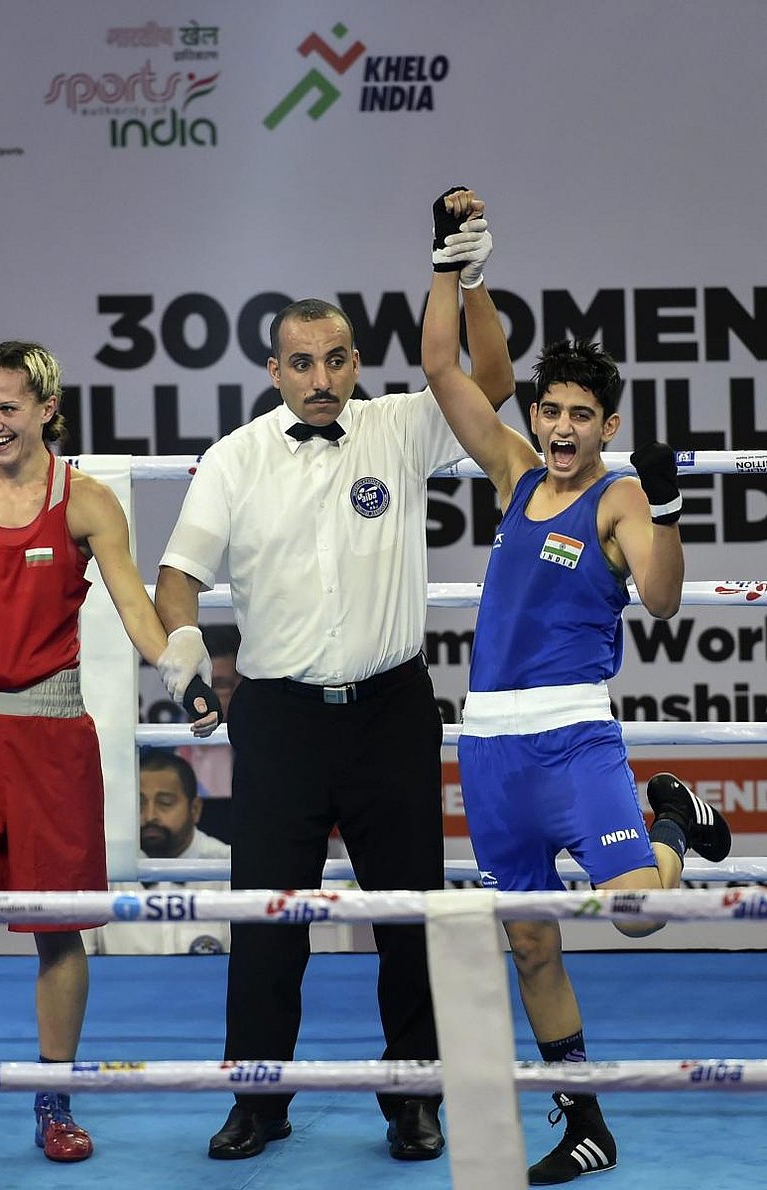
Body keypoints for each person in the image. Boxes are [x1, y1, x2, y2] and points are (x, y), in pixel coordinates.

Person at [153, 209, 515, 1163]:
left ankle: (415, 1098)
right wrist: (183, 648)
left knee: (410, 916)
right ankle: (258, 1099)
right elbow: (178, 576)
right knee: (268, 923)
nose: (321, 379)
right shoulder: (234, 458)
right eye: (301, 363)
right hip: (277, 720)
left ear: (357, 362)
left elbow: (494, 385)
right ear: (274, 371)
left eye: (337, 360)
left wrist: (468, 282)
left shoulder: (399, 427)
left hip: (392, 708)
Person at [420, 189, 732, 1185]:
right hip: (492, 748)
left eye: (579, 416)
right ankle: (585, 1117)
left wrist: (674, 508)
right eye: (550, 410)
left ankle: (672, 820)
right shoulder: (515, 471)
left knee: (639, 910)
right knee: (531, 945)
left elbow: (665, 599)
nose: (560, 428)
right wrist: (448, 263)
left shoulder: (621, 495)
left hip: (573, 741)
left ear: (607, 423)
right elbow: (440, 367)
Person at [0, 341, 210, 1177]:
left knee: (60, 931)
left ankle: (54, 1100)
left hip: (52, 731)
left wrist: (183, 671)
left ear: (45, 410)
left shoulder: (88, 501)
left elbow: (138, 608)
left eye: (7, 408)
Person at [84, 748, 232, 955]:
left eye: (165, 803)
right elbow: (81, 961)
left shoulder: (228, 867)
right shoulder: (104, 867)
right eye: (140, 803)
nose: (150, 815)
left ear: (195, 809)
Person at [179, 624, 241, 844]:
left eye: (222, 685)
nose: (210, 696)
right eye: (205, 686)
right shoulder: (158, 745)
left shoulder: (262, 748)